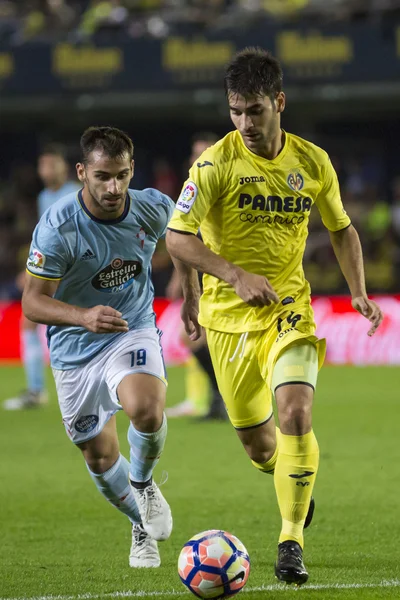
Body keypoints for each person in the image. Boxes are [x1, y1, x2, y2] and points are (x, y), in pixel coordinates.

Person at [166, 47, 383, 585]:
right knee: (263, 448)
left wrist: (357, 290)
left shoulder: (312, 162)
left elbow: (342, 228)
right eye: (235, 111)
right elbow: (177, 237)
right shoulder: (214, 163)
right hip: (227, 320)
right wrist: (229, 277)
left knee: (295, 414)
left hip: (289, 306)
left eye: (255, 111)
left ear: (279, 102)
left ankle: (290, 539)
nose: (244, 124)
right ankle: (295, 479)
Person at [21, 126, 174, 567]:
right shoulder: (57, 228)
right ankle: (139, 523)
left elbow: (183, 241)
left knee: (146, 408)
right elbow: (33, 301)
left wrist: (192, 294)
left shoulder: (151, 209)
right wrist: (83, 316)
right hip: (74, 347)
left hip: (131, 326)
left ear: (132, 170)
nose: (114, 187)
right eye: (103, 176)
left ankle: (143, 483)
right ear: (82, 172)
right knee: (99, 453)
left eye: (123, 175)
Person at [4, 144, 80, 410]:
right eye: (42, 165)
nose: (46, 170)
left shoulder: (76, 194)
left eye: (51, 164)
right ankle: (36, 390)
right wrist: (31, 270)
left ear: (64, 167)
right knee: (29, 323)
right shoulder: (45, 197)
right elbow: (45, 239)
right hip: (53, 272)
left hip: (74, 273)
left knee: (79, 327)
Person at [165, 132, 227, 420]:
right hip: (209, 281)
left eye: (206, 151)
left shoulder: (226, 188)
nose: (200, 158)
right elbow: (184, 237)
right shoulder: (192, 192)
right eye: (195, 153)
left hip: (231, 278)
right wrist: (182, 279)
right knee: (193, 337)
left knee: (197, 338)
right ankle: (220, 398)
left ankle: (223, 399)